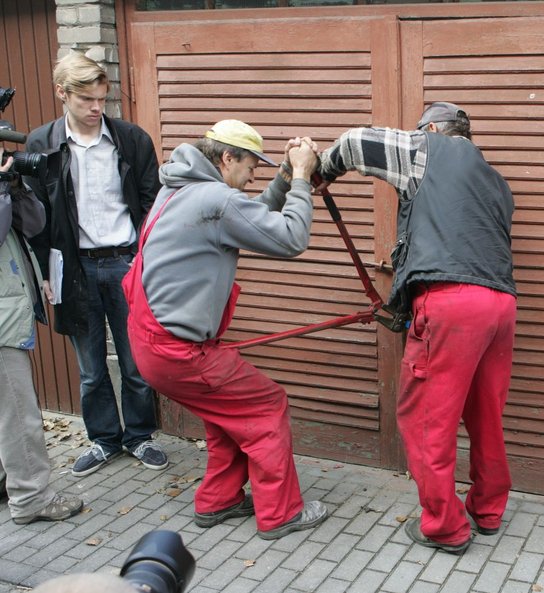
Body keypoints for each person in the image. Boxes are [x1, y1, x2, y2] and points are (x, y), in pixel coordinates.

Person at [316, 102, 517, 554]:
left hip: (453, 304)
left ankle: (445, 528)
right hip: (500, 306)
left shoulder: (428, 147)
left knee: (427, 418)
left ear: (431, 129)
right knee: (486, 415)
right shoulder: (496, 183)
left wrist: (321, 170)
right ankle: (486, 511)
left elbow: (353, 143)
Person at [123, 119, 328, 540]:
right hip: (179, 352)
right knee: (267, 405)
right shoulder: (214, 198)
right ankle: (281, 513)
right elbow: (291, 238)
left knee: (227, 415)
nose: (253, 174)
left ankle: (219, 500)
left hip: (151, 345)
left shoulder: (177, 189)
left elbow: (246, 215)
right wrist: (303, 179)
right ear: (227, 157)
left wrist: (285, 178)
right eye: (250, 164)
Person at [24, 51, 166, 476]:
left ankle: (139, 436)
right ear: (61, 94)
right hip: (74, 269)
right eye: (86, 100)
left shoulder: (131, 140)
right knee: (90, 368)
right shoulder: (42, 144)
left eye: (101, 99)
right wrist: (44, 274)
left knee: (136, 363)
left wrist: (148, 261)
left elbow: (152, 204)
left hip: (126, 262)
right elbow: (35, 217)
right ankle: (104, 440)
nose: (95, 109)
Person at [0, 155, 83, 524]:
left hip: (8, 311)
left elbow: (34, 225)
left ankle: (8, 481)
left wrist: (16, 189)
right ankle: (31, 496)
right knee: (19, 414)